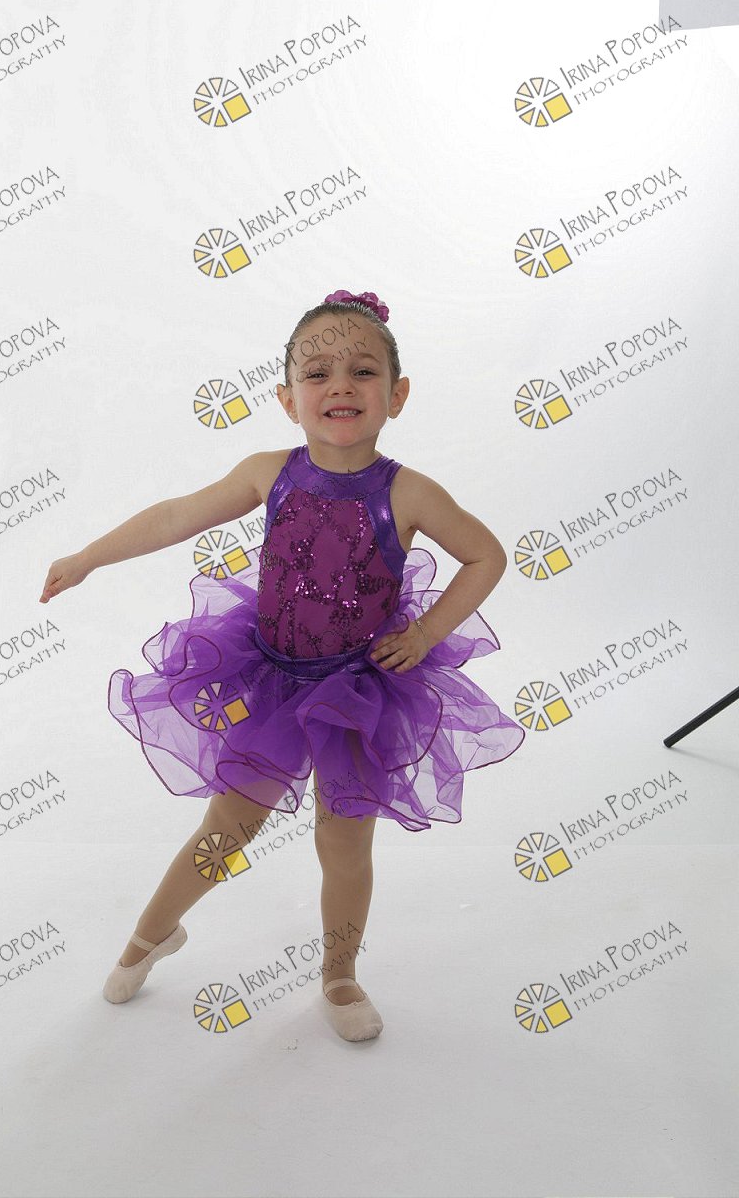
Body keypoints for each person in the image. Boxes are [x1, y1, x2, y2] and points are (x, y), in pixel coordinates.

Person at [39, 289, 526, 1041]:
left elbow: (487, 554)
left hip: (357, 693)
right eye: (318, 372)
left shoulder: (409, 492)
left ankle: (339, 972)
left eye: (363, 371)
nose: (340, 386)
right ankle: (152, 933)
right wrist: (88, 557)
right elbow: (176, 515)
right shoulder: (270, 473)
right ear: (287, 397)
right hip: (266, 680)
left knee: (344, 840)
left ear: (397, 395)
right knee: (227, 826)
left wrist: (427, 633)